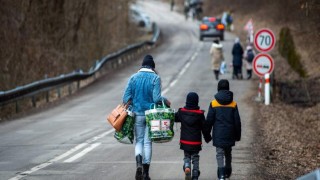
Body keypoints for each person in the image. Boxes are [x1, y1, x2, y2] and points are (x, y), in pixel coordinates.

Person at [123, 54, 170, 180]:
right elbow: (156, 99)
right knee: (148, 143)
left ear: (142, 65)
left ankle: (138, 164)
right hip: (151, 115)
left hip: (137, 114)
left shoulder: (133, 78)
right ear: (153, 67)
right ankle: (146, 173)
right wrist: (165, 100)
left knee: (139, 141)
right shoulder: (155, 78)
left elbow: (125, 98)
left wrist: (134, 102)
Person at [203, 79, 241, 180]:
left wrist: (207, 135)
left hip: (218, 134)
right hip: (230, 134)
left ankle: (221, 174)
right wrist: (238, 136)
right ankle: (228, 170)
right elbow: (237, 121)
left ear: (218, 88)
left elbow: (209, 121)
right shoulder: (233, 104)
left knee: (219, 153)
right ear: (228, 89)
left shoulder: (214, 103)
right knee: (228, 152)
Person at [175, 92, 211, 180]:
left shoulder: (181, 112)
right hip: (196, 142)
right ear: (197, 102)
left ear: (187, 101)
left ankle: (187, 166)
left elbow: (174, 117)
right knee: (195, 157)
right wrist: (208, 138)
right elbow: (204, 128)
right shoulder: (200, 114)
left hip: (185, 141)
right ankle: (195, 175)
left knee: (187, 156)